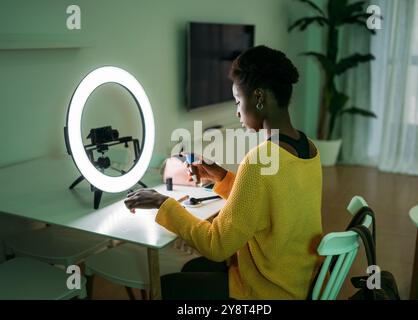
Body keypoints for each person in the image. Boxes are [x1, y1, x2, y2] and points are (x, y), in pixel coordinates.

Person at [124, 45, 323, 300]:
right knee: (193, 269)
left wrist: (163, 203)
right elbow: (272, 205)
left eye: (238, 100)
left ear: (259, 97)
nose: (237, 111)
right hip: (298, 280)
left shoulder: (259, 161)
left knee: (167, 287)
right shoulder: (308, 148)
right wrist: (222, 177)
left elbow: (217, 245)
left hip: (267, 292)